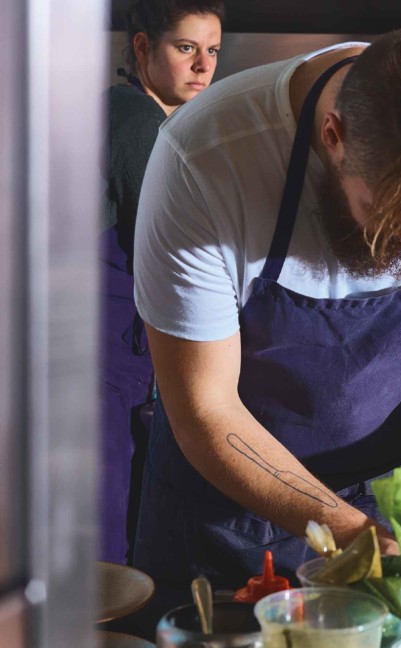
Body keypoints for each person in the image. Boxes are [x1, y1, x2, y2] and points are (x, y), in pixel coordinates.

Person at [131, 27, 401, 607]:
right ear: (333, 136)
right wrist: (352, 532)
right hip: (222, 524)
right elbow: (204, 409)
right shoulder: (208, 158)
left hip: (395, 506)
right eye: (390, 224)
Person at [101, 0, 223, 564]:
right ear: (143, 48)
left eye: (212, 51)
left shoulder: (130, 114)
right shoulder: (136, 122)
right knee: (101, 536)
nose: (203, 66)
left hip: (107, 362)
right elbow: (170, 247)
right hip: (95, 362)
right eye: (185, 48)